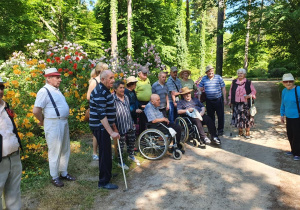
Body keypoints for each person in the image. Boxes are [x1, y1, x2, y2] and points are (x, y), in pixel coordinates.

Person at [33, 68, 76, 187]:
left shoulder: (56, 90)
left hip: (62, 122)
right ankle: (54, 176)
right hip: (53, 123)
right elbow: (36, 110)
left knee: (65, 148)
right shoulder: (44, 91)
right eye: (57, 77)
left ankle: (63, 172)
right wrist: (42, 121)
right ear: (48, 78)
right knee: (54, 150)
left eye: (59, 77)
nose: (60, 79)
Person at [89, 70, 119, 190]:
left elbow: (108, 110)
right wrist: (110, 131)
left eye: (113, 78)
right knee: (104, 153)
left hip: (104, 127)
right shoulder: (100, 92)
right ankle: (103, 182)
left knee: (107, 152)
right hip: (100, 127)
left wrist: (113, 127)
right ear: (103, 80)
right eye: (110, 78)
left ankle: (108, 174)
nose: (113, 80)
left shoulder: (105, 90)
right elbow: (101, 115)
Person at [0, 77, 22, 209]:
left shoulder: (5, 105)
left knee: (13, 192)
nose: (0, 90)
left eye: (1, 87)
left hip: (14, 156)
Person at [113, 81, 140, 169]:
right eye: (120, 88)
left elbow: (128, 111)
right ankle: (120, 162)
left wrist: (132, 122)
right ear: (115, 89)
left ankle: (131, 155)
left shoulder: (127, 97)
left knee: (132, 140)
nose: (122, 89)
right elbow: (111, 115)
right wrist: (114, 128)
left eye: (123, 87)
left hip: (129, 123)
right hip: (119, 125)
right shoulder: (112, 99)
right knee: (121, 144)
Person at [87, 62, 109, 161]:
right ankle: (95, 153)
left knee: (104, 132)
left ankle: (104, 152)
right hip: (96, 111)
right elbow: (88, 96)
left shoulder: (104, 81)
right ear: (101, 71)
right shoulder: (94, 82)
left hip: (104, 109)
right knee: (97, 133)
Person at [228, 68, 256, 139]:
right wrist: (230, 100)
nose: (240, 75)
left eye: (241, 73)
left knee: (247, 117)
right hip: (237, 103)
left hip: (246, 103)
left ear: (244, 74)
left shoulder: (248, 82)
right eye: (238, 73)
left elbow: (253, 91)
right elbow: (231, 92)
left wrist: (250, 95)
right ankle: (240, 131)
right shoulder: (234, 82)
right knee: (238, 117)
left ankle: (247, 131)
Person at [199, 65, 227, 136]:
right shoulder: (204, 79)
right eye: (208, 71)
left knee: (220, 115)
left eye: (211, 70)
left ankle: (220, 130)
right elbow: (200, 88)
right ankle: (212, 130)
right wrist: (199, 98)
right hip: (209, 100)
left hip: (218, 99)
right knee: (210, 116)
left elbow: (223, 88)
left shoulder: (218, 77)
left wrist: (225, 99)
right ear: (206, 73)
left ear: (213, 71)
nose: (210, 72)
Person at [280, 73, 300, 161]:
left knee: (297, 135)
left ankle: (297, 153)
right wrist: (282, 114)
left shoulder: (298, 89)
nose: (288, 83)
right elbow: (283, 103)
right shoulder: (284, 91)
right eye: (286, 81)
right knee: (290, 135)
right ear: (283, 83)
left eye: (290, 81)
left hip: (297, 117)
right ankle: (293, 150)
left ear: (293, 81)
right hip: (289, 116)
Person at [135, 66, 152, 133]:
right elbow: (134, 94)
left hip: (149, 103)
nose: (145, 75)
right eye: (144, 73)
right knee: (142, 120)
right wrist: (139, 105)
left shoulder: (148, 80)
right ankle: (142, 135)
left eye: (146, 73)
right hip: (141, 103)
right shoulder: (136, 81)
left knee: (149, 118)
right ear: (139, 74)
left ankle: (150, 133)